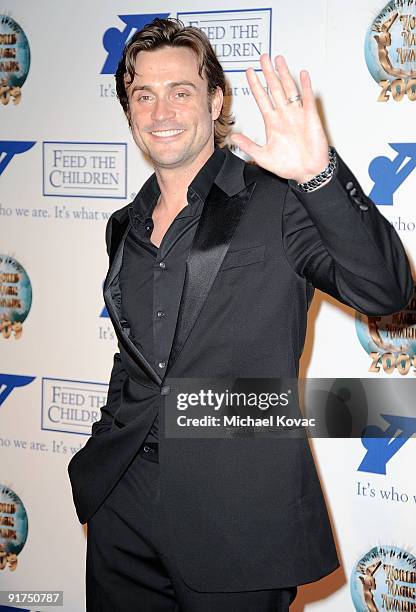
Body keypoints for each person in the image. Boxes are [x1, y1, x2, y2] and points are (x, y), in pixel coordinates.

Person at [68, 17, 413, 612]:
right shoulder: (123, 224)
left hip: (238, 515)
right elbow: (138, 359)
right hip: (123, 501)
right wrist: (102, 459)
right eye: (143, 95)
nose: (161, 110)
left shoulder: (276, 198)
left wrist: (317, 173)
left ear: (216, 101)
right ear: (129, 110)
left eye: (181, 91)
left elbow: (386, 290)